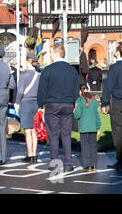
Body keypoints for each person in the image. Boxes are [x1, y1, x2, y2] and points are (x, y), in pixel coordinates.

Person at [37, 44, 80, 172]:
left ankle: (55, 163)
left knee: (53, 135)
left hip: (52, 104)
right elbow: (75, 89)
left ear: (55, 53)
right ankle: (68, 164)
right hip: (67, 104)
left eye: (50, 53)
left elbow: (42, 90)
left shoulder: (48, 70)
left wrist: (40, 105)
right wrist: (74, 102)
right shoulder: (72, 70)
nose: (49, 55)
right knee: (66, 134)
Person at [101, 42, 122, 170]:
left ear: (117, 52)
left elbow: (108, 87)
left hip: (117, 103)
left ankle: (121, 160)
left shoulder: (114, 68)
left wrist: (104, 103)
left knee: (118, 133)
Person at [14, 53, 41, 163]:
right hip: (35, 102)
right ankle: (34, 154)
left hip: (25, 102)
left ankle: (29, 155)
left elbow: (20, 91)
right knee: (34, 129)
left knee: (27, 130)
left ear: (28, 61)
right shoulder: (38, 75)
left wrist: (17, 102)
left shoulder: (24, 75)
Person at [74, 85, 101, 172]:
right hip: (93, 127)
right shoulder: (94, 100)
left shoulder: (79, 100)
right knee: (93, 146)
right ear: (88, 90)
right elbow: (97, 115)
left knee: (85, 147)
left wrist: (74, 111)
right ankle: (94, 165)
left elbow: (77, 115)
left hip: (84, 127)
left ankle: (87, 165)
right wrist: (98, 127)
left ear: (80, 91)